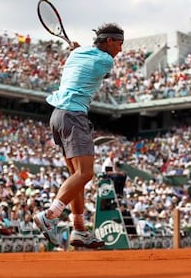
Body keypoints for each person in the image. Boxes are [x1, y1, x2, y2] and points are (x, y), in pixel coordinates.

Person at [33, 23, 124, 249]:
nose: (120, 50)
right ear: (110, 41)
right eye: (119, 44)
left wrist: (78, 49)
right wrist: (78, 48)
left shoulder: (75, 55)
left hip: (58, 116)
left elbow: (84, 54)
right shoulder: (106, 60)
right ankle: (49, 216)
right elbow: (96, 60)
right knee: (86, 173)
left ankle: (80, 230)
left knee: (76, 177)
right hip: (74, 115)